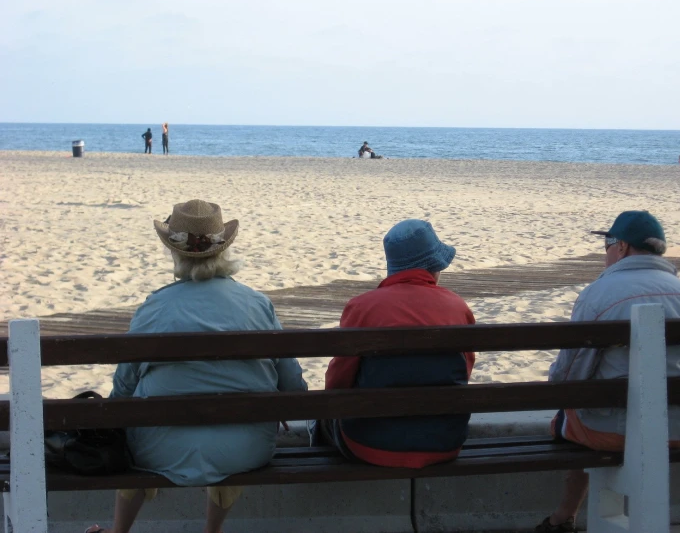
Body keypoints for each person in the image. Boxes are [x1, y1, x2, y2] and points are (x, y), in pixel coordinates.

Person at [85, 199, 307, 533]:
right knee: (230, 418)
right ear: (223, 249)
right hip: (245, 450)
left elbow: (123, 391)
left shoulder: (154, 307)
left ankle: (118, 532)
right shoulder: (258, 304)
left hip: (160, 451)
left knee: (139, 413)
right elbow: (294, 389)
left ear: (175, 252)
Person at [536, 211, 680, 533]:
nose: (605, 252)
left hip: (612, 434)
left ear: (623, 247)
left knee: (572, 414)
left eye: (606, 244)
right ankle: (562, 517)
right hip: (677, 430)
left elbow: (568, 379)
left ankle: (564, 517)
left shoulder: (599, 294)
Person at [321, 219, 476, 468]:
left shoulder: (363, 307)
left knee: (322, 419)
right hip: (444, 443)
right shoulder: (457, 307)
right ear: (434, 267)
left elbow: (338, 382)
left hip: (370, 447)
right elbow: (463, 372)